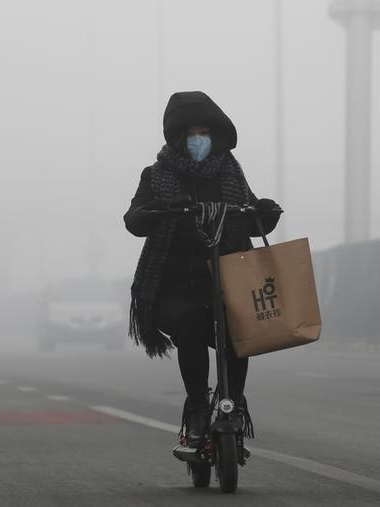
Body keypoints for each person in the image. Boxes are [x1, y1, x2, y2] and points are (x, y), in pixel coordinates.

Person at [123, 91, 281, 447]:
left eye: (205, 132)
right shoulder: (156, 176)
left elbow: (252, 219)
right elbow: (134, 219)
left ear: (216, 136)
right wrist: (156, 212)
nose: (199, 140)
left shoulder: (231, 172)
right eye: (192, 133)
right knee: (191, 324)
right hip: (176, 284)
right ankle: (196, 409)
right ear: (179, 138)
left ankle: (234, 405)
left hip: (229, 282)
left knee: (237, 330)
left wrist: (266, 213)